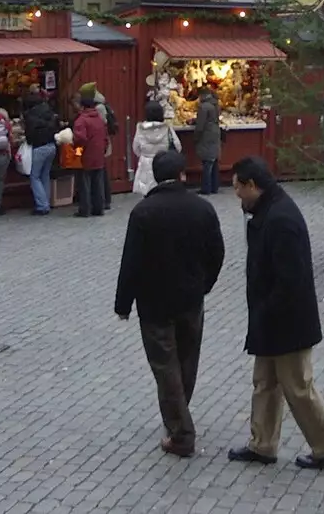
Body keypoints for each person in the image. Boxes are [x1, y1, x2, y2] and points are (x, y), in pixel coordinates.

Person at [227, 157, 324, 470]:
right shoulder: (270, 212)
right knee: (264, 382)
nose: (236, 194)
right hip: (271, 318)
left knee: (298, 387)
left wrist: (267, 312)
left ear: (253, 186)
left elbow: (290, 281)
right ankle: (262, 444)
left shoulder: (280, 219)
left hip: (287, 322)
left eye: (238, 187)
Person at [114, 150, 225, 458]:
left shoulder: (143, 213)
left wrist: (123, 303)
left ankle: (181, 431)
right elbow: (217, 252)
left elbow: (131, 261)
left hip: (154, 303)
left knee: (165, 365)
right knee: (187, 360)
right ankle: (178, 415)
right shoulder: (202, 209)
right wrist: (205, 284)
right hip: (191, 299)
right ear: (183, 175)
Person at [19, 88, 59, 215]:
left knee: (34, 177)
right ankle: (46, 201)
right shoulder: (49, 111)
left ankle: (42, 206)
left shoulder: (30, 116)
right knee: (45, 175)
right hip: (51, 146)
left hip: (39, 148)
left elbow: (30, 135)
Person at [72, 86, 110, 218]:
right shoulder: (98, 118)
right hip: (98, 154)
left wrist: (76, 150)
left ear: (82, 106)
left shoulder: (81, 120)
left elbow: (80, 138)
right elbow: (105, 136)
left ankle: (85, 209)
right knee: (98, 182)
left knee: (84, 182)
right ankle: (99, 208)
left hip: (86, 154)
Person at [131, 101, 182, 198]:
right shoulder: (167, 128)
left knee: (147, 193)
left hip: (146, 163)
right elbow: (177, 146)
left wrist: (144, 156)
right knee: (164, 192)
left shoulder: (141, 129)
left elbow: (136, 148)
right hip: (164, 163)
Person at [93, 87, 118, 211]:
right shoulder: (103, 106)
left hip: (101, 143)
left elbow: (101, 126)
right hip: (103, 142)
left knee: (101, 172)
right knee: (102, 171)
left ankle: (104, 199)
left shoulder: (99, 108)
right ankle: (105, 199)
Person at [194, 89, 223, 195]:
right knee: (214, 161)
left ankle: (206, 188)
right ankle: (215, 186)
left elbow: (200, 125)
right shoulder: (216, 105)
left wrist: (196, 137)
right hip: (215, 133)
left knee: (207, 162)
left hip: (207, 135)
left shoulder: (204, 106)